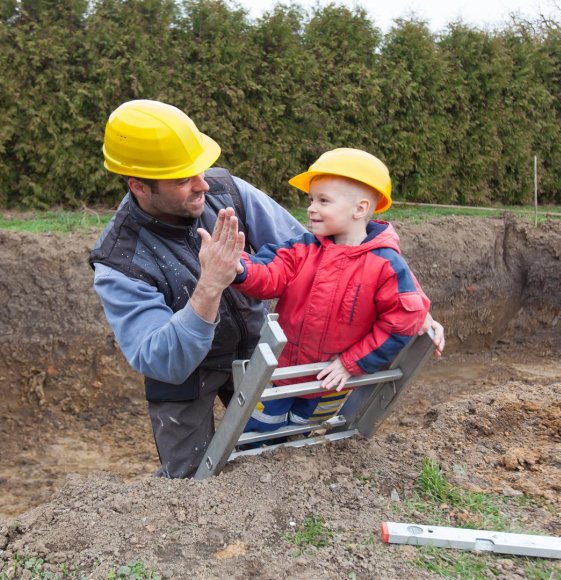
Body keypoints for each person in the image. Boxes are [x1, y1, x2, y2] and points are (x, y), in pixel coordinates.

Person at [89, 99, 444, 478]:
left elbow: (319, 253)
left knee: (276, 453)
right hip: (187, 370)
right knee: (190, 479)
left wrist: (412, 308)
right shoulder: (120, 261)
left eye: (200, 169)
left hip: (259, 348)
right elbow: (163, 362)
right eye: (181, 180)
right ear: (139, 186)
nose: (202, 185)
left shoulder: (226, 190)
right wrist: (209, 287)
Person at [230, 148, 431, 432]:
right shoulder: (302, 247)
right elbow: (270, 272)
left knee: (304, 434)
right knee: (257, 431)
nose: (311, 208)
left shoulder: (385, 264)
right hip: (282, 373)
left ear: (360, 209)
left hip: (331, 380)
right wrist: (240, 268)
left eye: (323, 200)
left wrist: (352, 363)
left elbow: (402, 320)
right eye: (311, 199)